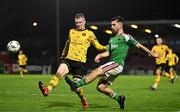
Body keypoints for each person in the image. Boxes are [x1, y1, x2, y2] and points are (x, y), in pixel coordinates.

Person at [65, 16, 159, 110]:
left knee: (96, 72)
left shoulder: (126, 37)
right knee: (101, 87)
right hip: (114, 65)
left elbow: (140, 46)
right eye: (111, 24)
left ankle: (76, 85)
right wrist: (100, 55)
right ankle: (119, 98)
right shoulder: (112, 39)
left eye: (114, 24)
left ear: (120, 25)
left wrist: (151, 53)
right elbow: (109, 52)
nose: (111, 26)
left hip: (117, 64)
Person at [38, 13, 106, 109]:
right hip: (69, 59)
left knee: (77, 89)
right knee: (59, 73)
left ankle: (82, 98)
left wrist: (108, 47)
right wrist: (64, 52)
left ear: (84, 22)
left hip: (80, 64)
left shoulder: (89, 34)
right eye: (76, 22)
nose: (78, 24)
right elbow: (68, 42)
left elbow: (98, 46)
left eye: (80, 22)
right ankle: (47, 90)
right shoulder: (71, 31)